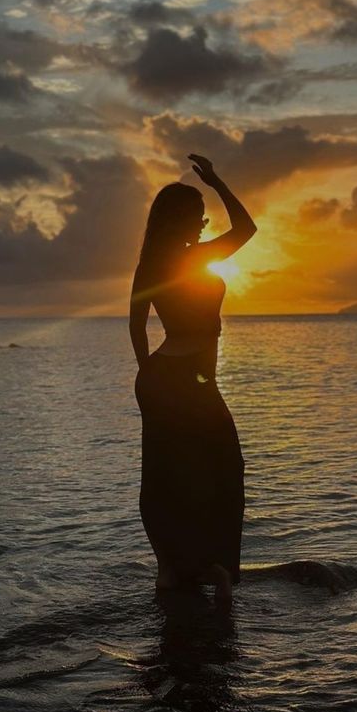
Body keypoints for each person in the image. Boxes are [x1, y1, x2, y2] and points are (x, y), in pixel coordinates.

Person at [129, 154, 257, 604]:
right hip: (189, 381)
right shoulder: (194, 258)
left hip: (162, 377)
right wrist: (219, 180)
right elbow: (247, 230)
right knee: (222, 469)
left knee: (166, 476)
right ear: (180, 220)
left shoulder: (151, 265)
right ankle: (213, 568)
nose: (204, 222)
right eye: (198, 216)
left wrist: (148, 374)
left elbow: (135, 324)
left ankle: (171, 569)